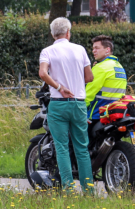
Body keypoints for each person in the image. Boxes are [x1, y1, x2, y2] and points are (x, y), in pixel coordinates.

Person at [38, 17, 94, 194]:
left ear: (52, 34)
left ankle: (69, 189)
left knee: (62, 147)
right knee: (82, 148)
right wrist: (75, 82)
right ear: (68, 32)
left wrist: (60, 87)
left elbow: (42, 73)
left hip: (58, 105)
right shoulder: (80, 50)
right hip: (78, 103)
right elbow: (89, 77)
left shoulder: (47, 51)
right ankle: (89, 190)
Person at [85, 35, 128, 138]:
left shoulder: (101, 67)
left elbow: (88, 94)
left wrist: (77, 107)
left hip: (98, 114)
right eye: (93, 48)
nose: (93, 51)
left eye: (97, 48)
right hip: (116, 113)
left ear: (107, 50)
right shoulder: (119, 66)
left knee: (78, 144)